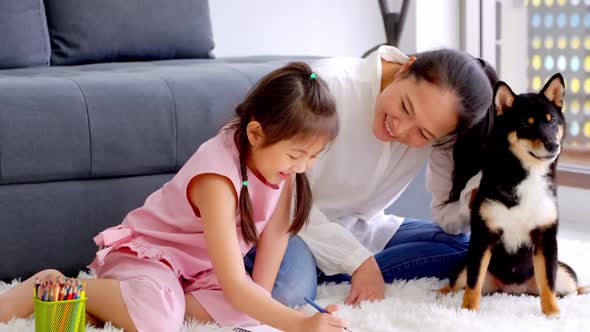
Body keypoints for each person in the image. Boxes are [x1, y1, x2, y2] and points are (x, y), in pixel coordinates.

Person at [0, 62, 349, 332]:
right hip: (151, 258)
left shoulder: (285, 171)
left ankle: (133, 304)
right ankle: (63, 287)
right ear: (256, 133)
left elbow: (267, 256)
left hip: (196, 273)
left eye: (314, 157)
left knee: (247, 305)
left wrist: (263, 312)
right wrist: (300, 324)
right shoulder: (217, 176)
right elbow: (232, 282)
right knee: (162, 313)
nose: (303, 167)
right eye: (295, 156)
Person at [243, 46, 498, 307]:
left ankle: (336, 269)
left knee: (469, 250)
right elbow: (286, 202)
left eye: (423, 134)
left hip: (361, 229)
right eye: (405, 107)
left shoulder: (442, 129)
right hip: (291, 225)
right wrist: (358, 261)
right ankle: (338, 268)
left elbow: (448, 220)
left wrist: (480, 191)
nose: (400, 129)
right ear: (405, 69)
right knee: (287, 292)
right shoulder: (328, 88)